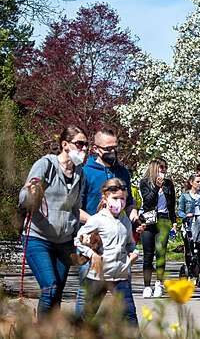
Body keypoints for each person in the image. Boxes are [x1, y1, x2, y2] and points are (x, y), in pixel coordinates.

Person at [19, 125, 87, 318]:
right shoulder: (46, 164)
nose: (84, 149)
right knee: (50, 288)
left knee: (56, 295)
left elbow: (75, 207)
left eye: (86, 145)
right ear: (65, 145)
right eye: (80, 144)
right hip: (37, 238)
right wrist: (30, 194)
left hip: (64, 243)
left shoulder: (79, 173)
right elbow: (24, 196)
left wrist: (76, 234)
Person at [77, 128, 141, 316]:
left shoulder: (122, 172)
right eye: (107, 148)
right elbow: (75, 209)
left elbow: (128, 203)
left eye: (115, 147)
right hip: (93, 243)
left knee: (125, 303)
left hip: (119, 246)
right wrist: (100, 223)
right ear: (96, 149)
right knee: (88, 300)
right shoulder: (84, 172)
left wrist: (134, 215)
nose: (112, 152)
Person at [75, 178, 139, 326]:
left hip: (120, 275)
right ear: (105, 199)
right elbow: (78, 240)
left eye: (122, 199)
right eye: (115, 198)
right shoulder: (96, 220)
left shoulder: (125, 222)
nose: (119, 202)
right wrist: (93, 255)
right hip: (98, 276)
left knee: (129, 314)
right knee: (88, 314)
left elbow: (130, 244)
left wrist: (134, 253)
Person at [139, 158, 176, 298]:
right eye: (161, 167)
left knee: (160, 253)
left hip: (163, 219)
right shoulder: (145, 182)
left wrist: (173, 222)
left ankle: (158, 283)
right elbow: (148, 201)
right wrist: (156, 187)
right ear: (154, 168)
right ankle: (147, 286)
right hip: (148, 220)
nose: (164, 170)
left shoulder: (168, 184)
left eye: (166, 167)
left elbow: (171, 204)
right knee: (148, 255)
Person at [178, 173, 200, 264]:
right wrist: (186, 215)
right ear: (191, 183)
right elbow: (180, 211)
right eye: (198, 182)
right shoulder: (185, 196)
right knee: (189, 250)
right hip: (189, 226)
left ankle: (199, 267)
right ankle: (188, 267)